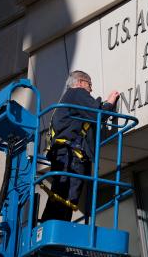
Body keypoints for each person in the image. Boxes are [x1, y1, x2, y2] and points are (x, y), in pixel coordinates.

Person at [41, 70, 120, 222]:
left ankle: (50, 234)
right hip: (71, 157)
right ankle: (54, 235)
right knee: (65, 200)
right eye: (90, 85)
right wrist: (109, 103)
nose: (91, 90)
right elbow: (97, 113)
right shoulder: (76, 93)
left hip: (65, 156)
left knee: (60, 199)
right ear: (80, 82)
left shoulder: (67, 101)